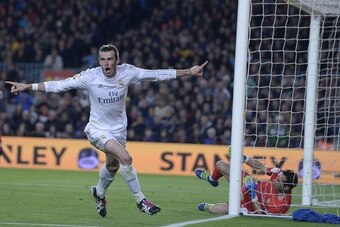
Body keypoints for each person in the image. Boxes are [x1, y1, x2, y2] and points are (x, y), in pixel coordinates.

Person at [5, 43, 208, 217]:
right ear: (99, 60)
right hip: (96, 130)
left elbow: (155, 75)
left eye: (110, 59)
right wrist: (27, 86)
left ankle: (99, 193)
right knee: (126, 159)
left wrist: (188, 72)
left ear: (116, 60)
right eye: (102, 59)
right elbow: (59, 85)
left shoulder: (127, 72)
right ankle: (141, 201)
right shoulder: (90, 76)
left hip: (119, 131)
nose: (106, 63)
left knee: (113, 167)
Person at [194, 147, 298, 215]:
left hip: (250, 205)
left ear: (286, 187)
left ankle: (209, 206)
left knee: (210, 208)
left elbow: (261, 215)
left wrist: (253, 195)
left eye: (279, 180)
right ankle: (212, 179)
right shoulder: (278, 173)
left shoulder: (281, 205)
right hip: (249, 183)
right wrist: (244, 158)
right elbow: (261, 167)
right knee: (220, 165)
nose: (275, 179)